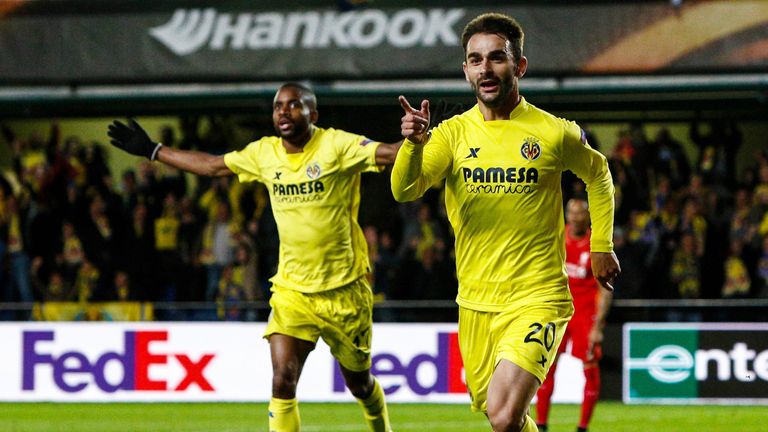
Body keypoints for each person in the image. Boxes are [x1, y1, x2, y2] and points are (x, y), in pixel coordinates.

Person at [107, 82, 400, 432]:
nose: (283, 112)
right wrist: (155, 150)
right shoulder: (264, 153)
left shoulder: (336, 145)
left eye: (294, 105)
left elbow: (389, 153)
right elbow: (213, 166)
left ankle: (380, 425)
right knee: (282, 381)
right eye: (278, 106)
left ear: (314, 114)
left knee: (360, 385)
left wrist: (425, 138)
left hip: (345, 292)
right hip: (293, 292)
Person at [391, 13, 620, 432]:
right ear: (466, 70)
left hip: (538, 297)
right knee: (504, 418)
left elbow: (599, 174)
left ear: (520, 65)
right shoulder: (451, 135)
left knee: (502, 412)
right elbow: (405, 190)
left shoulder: (554, 133)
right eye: (476, 60)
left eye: (497, 58)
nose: (486, 68)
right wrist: (412, 146)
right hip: (476, 301)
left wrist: (602, 243)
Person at [534, 198, 612, 432]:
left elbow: (605, 288)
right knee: (545, 367)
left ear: (587, 217)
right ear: (567, 214)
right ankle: (541, 424)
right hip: (558, 311)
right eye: (572, 212)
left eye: (580, 213)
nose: (575, 217)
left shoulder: (596, 243)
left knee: (589, 368)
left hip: (585, 315)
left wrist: (598, 325)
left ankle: (582, 427)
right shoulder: (556, 236)